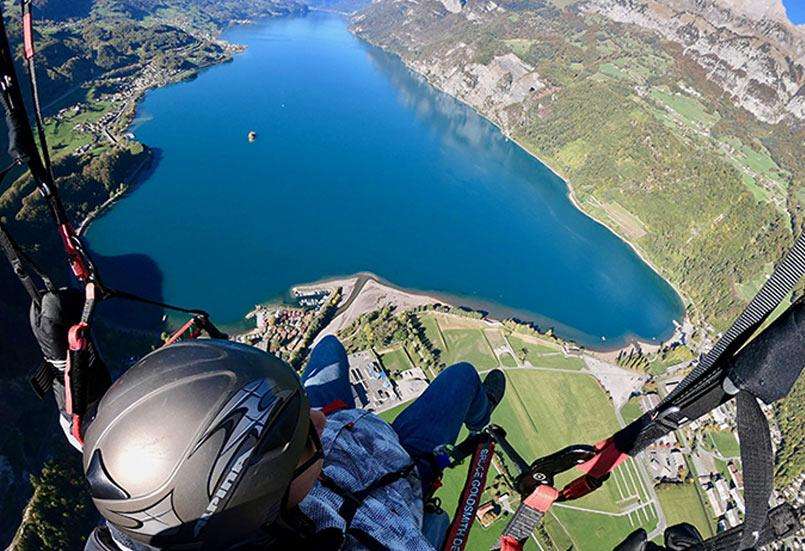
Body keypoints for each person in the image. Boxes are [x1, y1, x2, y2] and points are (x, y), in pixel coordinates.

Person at [29, 290, 507, 550]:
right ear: (259, 495)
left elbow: (143, 473)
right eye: (304, 440)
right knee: (463, 377)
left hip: (356, 449)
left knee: (329, 346)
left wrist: (71, 374)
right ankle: (480, 414)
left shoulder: (182, 512)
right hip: (400, 464)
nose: (320, 420)